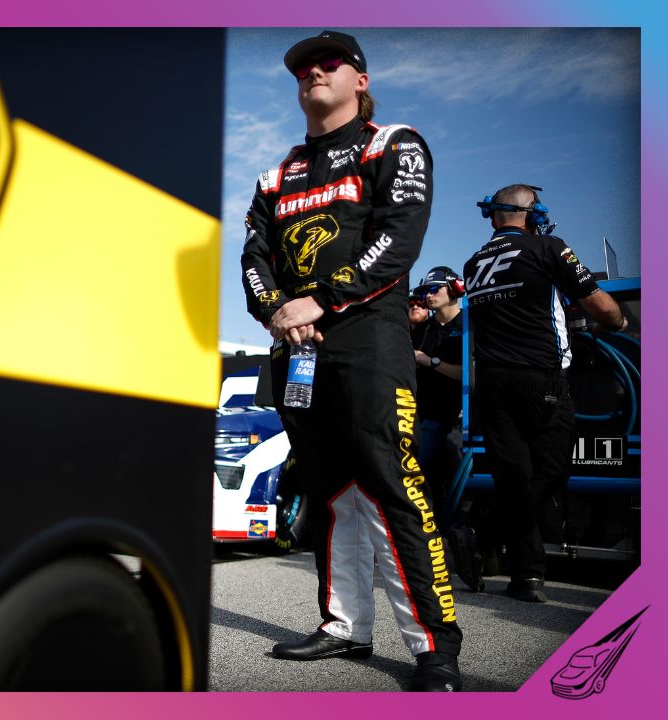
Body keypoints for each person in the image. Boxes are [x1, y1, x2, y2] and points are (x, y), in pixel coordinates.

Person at [241, 30, 462, 692]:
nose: (312, 72)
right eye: (302, 68)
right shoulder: (275, 173)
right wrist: (279, 312)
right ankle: (344, 627)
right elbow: (253, 259)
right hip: (298, 352)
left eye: (327, 64)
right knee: (330, 492)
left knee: (392, 485)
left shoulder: (393, 143)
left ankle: (434, 646)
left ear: (359, 80)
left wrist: (318, 302)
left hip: (369, 342)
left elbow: (399, 239)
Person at [464, 184, 626, 602]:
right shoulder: (549, 247)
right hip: (540, 377)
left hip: (491, 383)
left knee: (514, 478)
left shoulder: (472, 264)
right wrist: (622, 324)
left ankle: (526, 577)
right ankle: (484, 537)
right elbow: (601, 307)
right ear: (530, 214)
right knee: (550, 472)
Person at [410, 267, 464, 508]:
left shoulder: (470, 326)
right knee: (421, 481)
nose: (429, 295)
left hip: (459, 423)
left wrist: (429, 361)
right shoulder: (422, 330)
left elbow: (470, 376)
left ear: (454, 289)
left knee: (460, 485)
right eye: (425, 291)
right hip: (425, 419)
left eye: (435, 289)